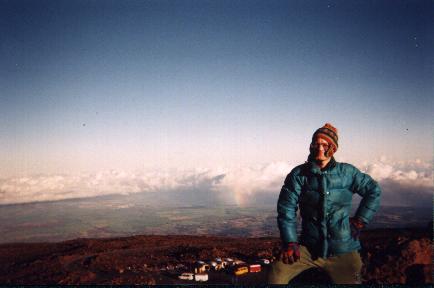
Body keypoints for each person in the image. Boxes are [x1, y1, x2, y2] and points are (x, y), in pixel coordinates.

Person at [268, 123, 381, 284]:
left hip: (343, 249)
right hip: (308, 248)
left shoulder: (347, 173)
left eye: (325, 144)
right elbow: (286, 209)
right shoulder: (299, 175)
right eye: (316, 143)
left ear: (333, 148)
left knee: (355, 279)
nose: (320, 148)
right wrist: (290, 242)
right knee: (276, 273)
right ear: (311, 146)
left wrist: (360, 220)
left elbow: (373, 190)